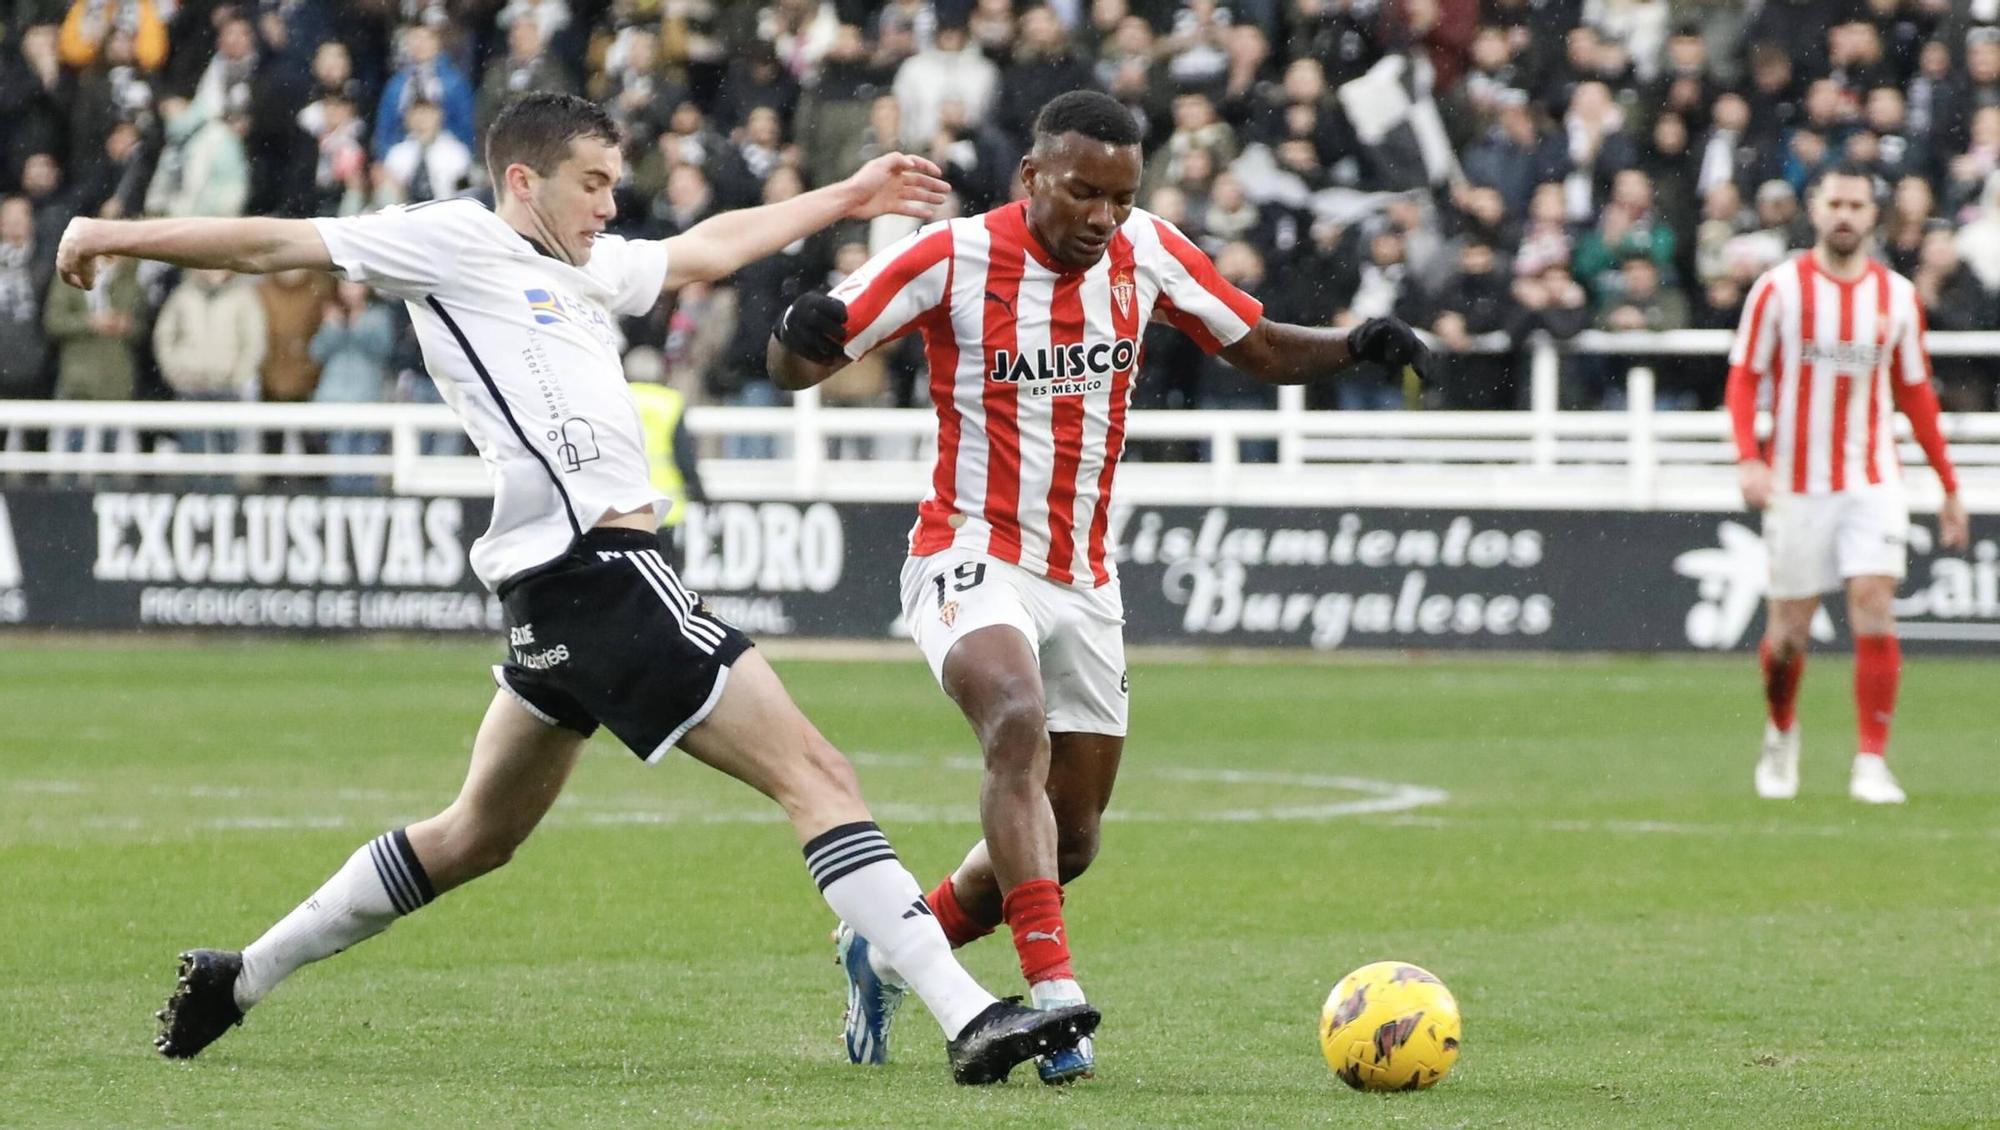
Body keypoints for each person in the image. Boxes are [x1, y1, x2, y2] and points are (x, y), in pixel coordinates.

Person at [58, 90, 1094, 1084]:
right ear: (524, 180)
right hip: (601, 574)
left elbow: (707, 247)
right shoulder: (453, 240)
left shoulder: (587, 270)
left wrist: (849, 196)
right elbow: (273, 243)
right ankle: (968, 1012)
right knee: (816, 773)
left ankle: (241, 976)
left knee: (474, 833)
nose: (610, 204)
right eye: (593, 183)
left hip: (552, 598)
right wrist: (113, 235)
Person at [766, 90, 1432, 1083]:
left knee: (1068, 840)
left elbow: (1250, 342)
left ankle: (890, 943)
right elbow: (798, 363)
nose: (1102, 217)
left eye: (1120, 198)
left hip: (1082, 575)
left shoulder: (1148, 252)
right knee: (1012, 716)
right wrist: (798, 329)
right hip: (967, 547)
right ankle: (1053, 993)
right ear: (1031, 177)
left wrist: (1357, 344)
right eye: (1082, 193)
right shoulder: (950, 258)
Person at [1726, 163, 1971, 806]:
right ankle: (1781, 732)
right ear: (1815, 208)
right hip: (1795, 482)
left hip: (1872, 477)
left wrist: (1948, 483)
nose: (1844, 214)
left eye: (1856, 205)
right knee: (1789, 634)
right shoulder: (1777, 291)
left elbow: (1915, 394)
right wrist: (1749, 457)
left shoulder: (1895, 297)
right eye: (1834, 201)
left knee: (1872, 601)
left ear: (1873, 215)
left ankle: (1871, 760)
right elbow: (1744, 379)